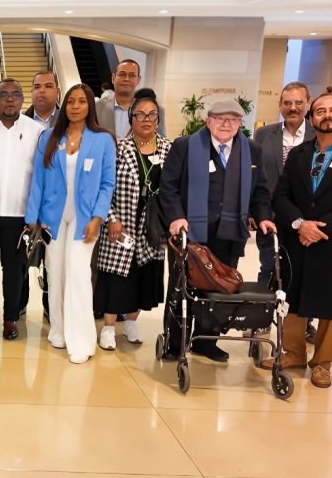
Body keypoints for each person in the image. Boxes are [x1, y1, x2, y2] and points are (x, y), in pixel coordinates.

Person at [260, 92, 332, 388]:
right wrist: (300, 224)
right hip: (296, 237)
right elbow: (281, 195)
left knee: (330, 302)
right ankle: (294, 353)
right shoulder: (300, 154)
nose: (327, 115)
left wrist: (320, 228)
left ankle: (323, 363)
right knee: (294, 297)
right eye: (321, 111)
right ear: (312, 118)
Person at [159, 97, 275, 362]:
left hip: (229, 231)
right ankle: (174, 342)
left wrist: (264, 216)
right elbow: (168, 187)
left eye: (233, 119)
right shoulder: (185, 146)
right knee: (182, 285)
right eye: (220, 118)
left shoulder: (251, 150)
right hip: (190, 231)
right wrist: (176, 217)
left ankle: (207, 341)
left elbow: (260, 190)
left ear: (239, 124)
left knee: (221, 287)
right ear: (208, 121)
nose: (226, 124)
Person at [26, 83, 116, 364]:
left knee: (77, 275)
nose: (75, 106)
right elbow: (38, 181)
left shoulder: (103, 140)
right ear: (64, 107)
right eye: (71, 102)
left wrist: (97, 218)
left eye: (81, 101)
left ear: (90, 106)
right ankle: (59, 330)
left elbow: (107, 184)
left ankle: (82, 339)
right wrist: (33, 219)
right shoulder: (49, 138)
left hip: (84, 218)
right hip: (53, 217)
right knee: (56, 273)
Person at [96, 93, 171, 350]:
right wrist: (112, 219)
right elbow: (105, 188)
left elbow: (173, 189)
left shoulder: (168, 149)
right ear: (132, 118)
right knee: (116, 277)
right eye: (140, 114)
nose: (146, 119)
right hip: (123, 224)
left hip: (153, 227)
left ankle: (131, 322)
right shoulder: (119, 147)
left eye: (152, 114)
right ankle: (108, 327)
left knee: (143, 276)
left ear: (158, 119)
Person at [0, 79, 44, 339]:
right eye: (4, 94)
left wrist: (35, 215)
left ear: (23, 98)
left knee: (14, 272)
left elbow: (40, 175)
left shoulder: (36, 131)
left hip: (20, 215)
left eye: (16, 94)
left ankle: (10, 320)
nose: (10, 99)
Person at [253, 81, 318, 342]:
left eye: (298, 103)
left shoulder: (318, 134)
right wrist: (255, 210)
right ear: (280, 105)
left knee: (306, 271)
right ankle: (261, 319)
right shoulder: (264, 134)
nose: (292, 108)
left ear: (308, 104)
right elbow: (255, 174)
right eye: (287, 103)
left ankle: (305, 323)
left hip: (307, 218)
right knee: (268, 267)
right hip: (270, 217)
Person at [22, 70, 62, 319]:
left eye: (48, 86)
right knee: (23, 256)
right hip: (26, 199)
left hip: (57, 204)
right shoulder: (21, 120)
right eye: (37, 86)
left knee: (53, 258)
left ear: (57, 91)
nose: (42, 91)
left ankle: (50, 305)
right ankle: (19, 303)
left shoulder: (67, 121)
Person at [96, 59, 166, 139]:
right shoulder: (97, 107)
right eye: (122, 74)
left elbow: (161, 141)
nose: (126, 79)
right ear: (113, 78)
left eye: (132, 75)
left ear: (138, 79)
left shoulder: (156, 110)